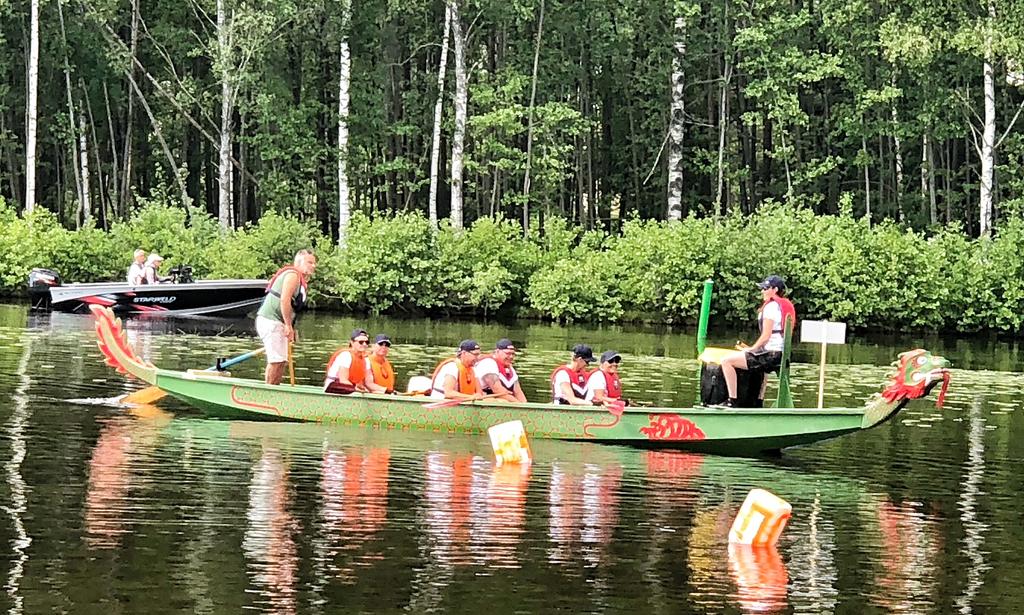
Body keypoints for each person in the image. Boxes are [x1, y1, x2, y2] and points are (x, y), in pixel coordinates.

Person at [718, 274, 797, 408]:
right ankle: (758, 402)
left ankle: (732, 401)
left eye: (765, 288)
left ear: (775, 290)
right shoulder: (781, 306)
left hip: (771, 355)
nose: (762, 291)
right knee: (763, 369)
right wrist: (754, 350)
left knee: (727, 361)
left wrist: (752, 349)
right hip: (780, 355)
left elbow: (766, 336)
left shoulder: (771, 307)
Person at [255, 249, 317, 385]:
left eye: (314, 263)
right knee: (276, 360)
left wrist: (290, 327)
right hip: (270, 320)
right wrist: (288, 326)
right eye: (310, 262)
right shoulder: (293, 275)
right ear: (299, 262)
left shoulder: (300, 280)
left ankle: (273, 388)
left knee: (281, 361)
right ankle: (269, 391)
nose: (313, 266)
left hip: (279, 322)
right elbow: (284, 300)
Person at [324, 329, 386, 394]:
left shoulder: (365, 360)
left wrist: (386, 391)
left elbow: (369, 383)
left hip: (351, 388)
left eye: (367, 342)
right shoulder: (346, 356)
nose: (364, 344)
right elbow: (343, 380)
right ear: (352, 342)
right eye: (361, 342)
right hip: (334, 386)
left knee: (371, 391)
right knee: (353, 389)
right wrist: (356, 388)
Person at [473, 338, 528, 403]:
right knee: (503, 401)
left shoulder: (510, 368)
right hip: (484, 399)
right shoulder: (488, 363)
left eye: (513, 354)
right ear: (497, 352)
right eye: (507, 353)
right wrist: (518, 405)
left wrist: (525, 405)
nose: (511, 357)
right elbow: (497, 389)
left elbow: (518, 391)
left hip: (505, 401)